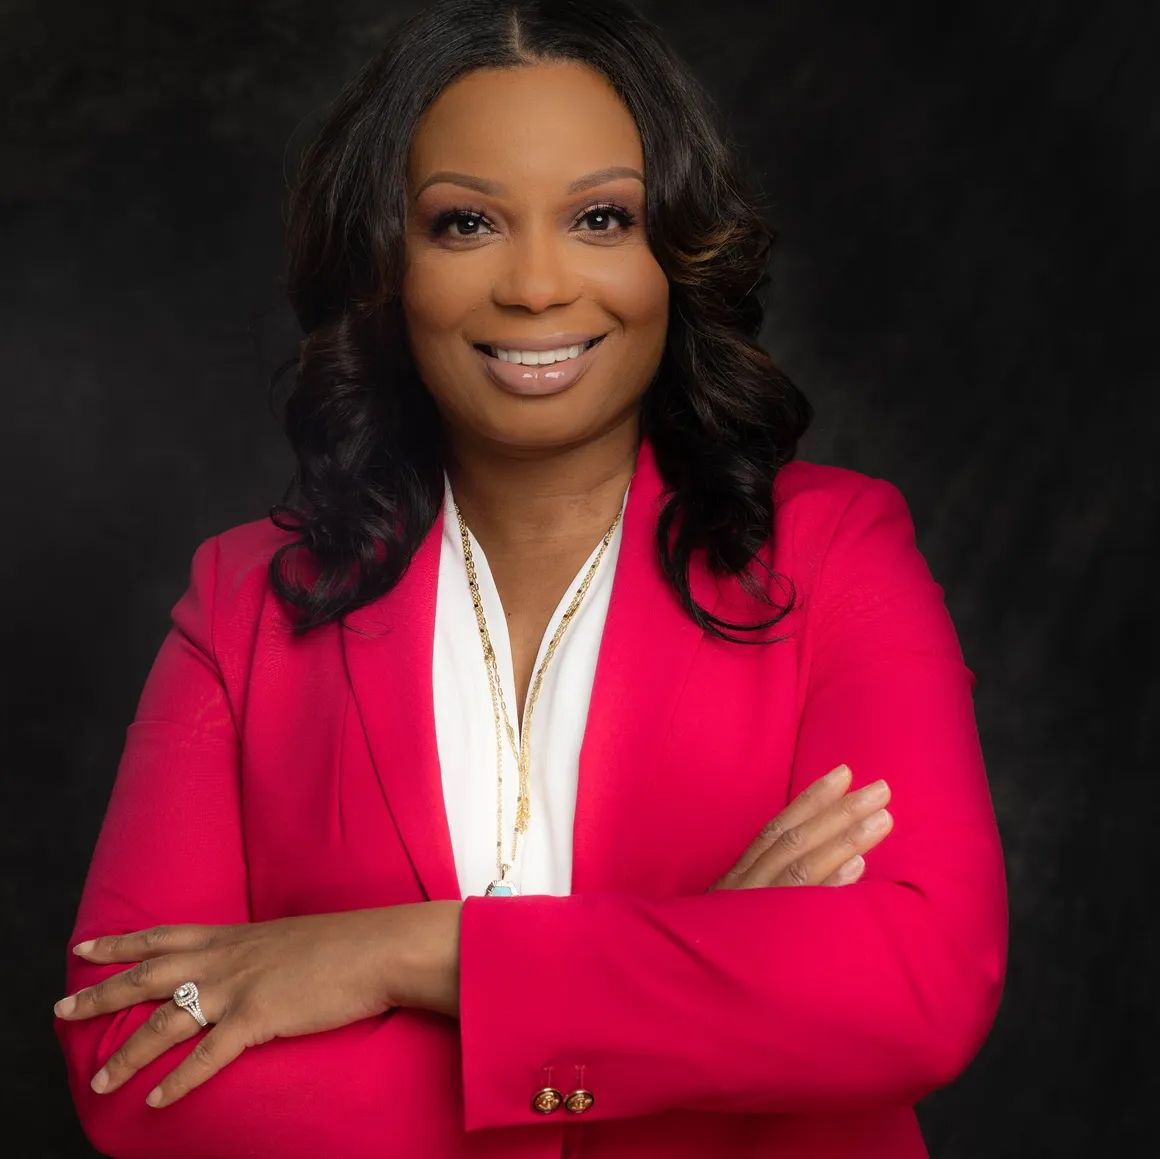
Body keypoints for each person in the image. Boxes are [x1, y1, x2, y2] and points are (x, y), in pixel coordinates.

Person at [53, 2, 1008, 1156]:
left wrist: (404, 952)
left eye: (600, 217)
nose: (538, 286)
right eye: (465, 223)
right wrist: (682, 1002)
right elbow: (132, 1058)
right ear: (385, 263)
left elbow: (913, 986)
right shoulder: (243, 599)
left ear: (673, 250)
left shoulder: (832, 547)